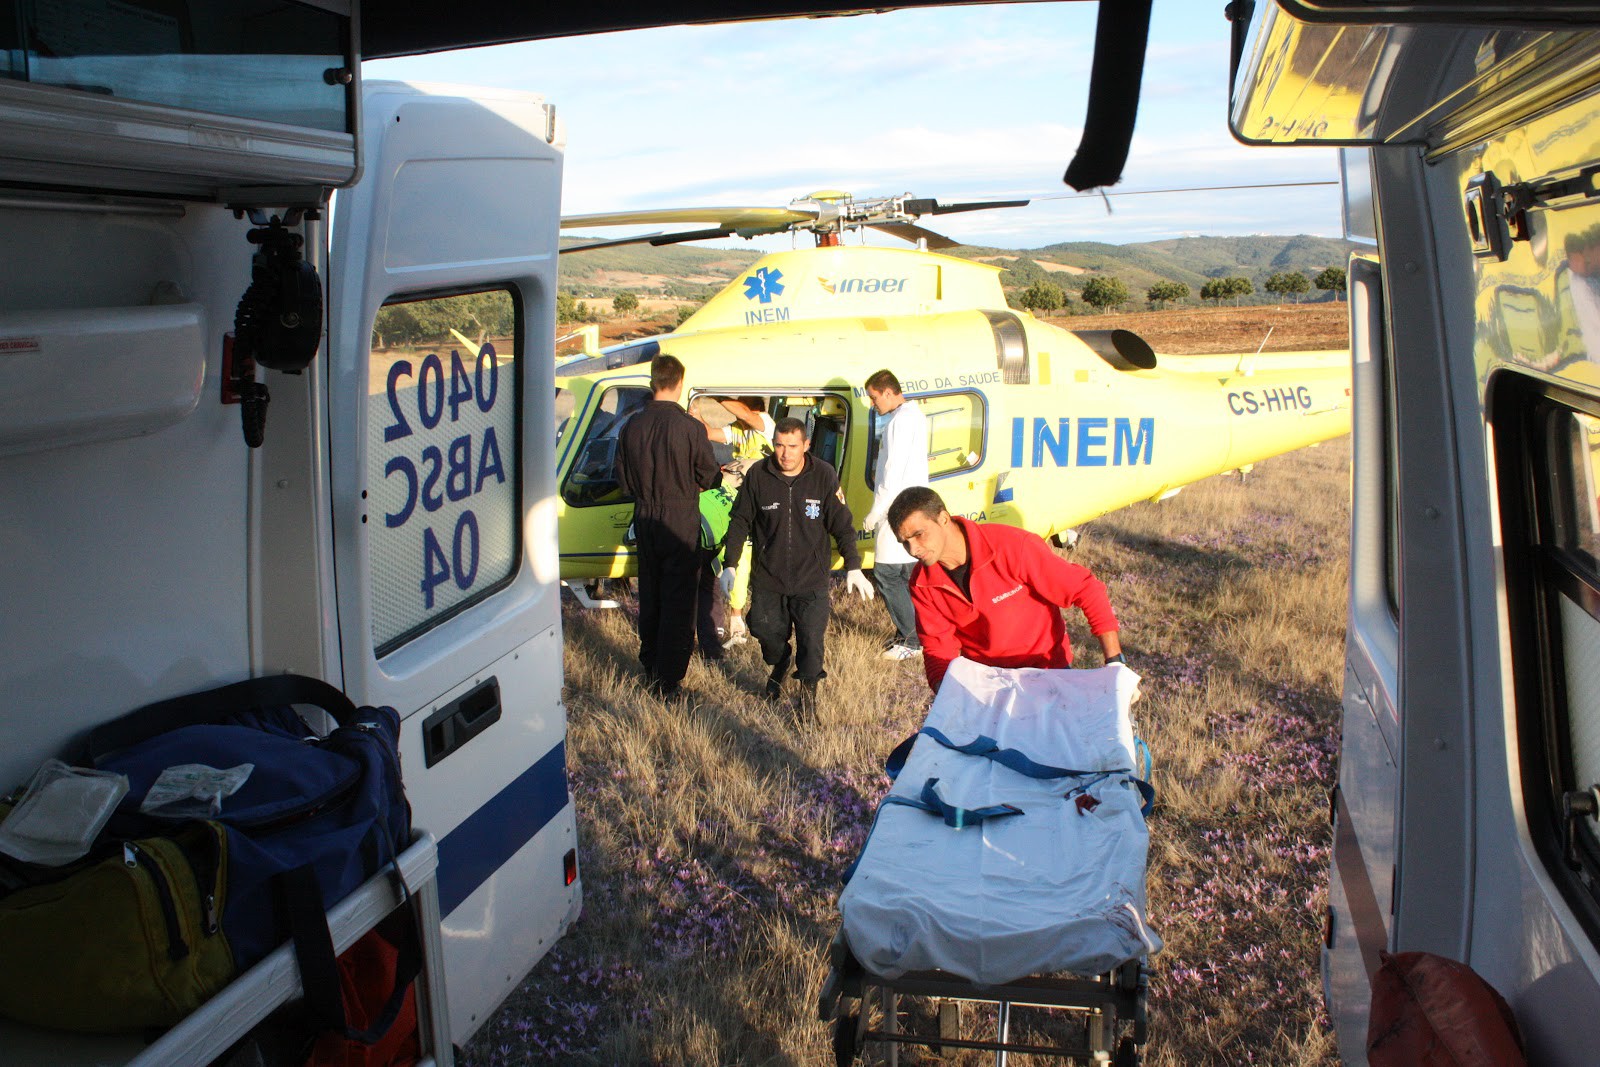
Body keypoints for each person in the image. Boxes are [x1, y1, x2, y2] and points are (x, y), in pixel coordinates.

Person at [887, 486, 1124, 696]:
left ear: (944, 519)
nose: (913, 549)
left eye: (919, 534)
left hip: (1049, 673)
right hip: (989, 684)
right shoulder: (922, 583)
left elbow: (1086, 589)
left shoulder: (1012, 547)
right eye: (904, 542)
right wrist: (946, 693)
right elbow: (938, 647)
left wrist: (1115, 663)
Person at [721, 416, 875, 715]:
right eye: (779, 445)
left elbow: (841, 525)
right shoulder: (759, 476)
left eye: (792, 446)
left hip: (811, 579)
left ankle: (807, 702)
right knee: (764, 630)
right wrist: (730, 564)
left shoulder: (824, 476)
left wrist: (853, 566)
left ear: (805, 445)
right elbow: (740, 520)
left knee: (811, 641)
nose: (785, 453)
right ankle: (780, 662)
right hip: (769, 577)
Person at [615, 354, 722, 700]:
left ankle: (650, 667)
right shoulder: (690, 428)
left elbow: (624, 482)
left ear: (653, 381)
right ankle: (669, 680)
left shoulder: (631, 426)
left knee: (651, 594)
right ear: (679, 384)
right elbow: (709, 476)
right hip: (680, 517)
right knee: (679, 601)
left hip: (645, 516)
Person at [860, 370, 931, 661]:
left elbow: (891, 471)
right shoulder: (914, 416)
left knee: (887, 573)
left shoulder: (899, 422)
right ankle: (914, 633)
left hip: (895, 507)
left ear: (888, 393)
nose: (873, 404)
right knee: (906, 572)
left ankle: (912, 641)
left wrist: (876, 513)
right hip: (912, 503)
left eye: (874, 398)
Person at [698, 395, 774, 647]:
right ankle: (736, 619)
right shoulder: (739, 429)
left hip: (764, 506)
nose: (736, 419)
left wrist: (715, 394)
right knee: (737, 560)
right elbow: (709, 432)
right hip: (740, 504)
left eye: (739, 409)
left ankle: (751, 619)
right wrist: (695, 413)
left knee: (753, 562)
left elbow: (746, 415)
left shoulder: (764, 422)